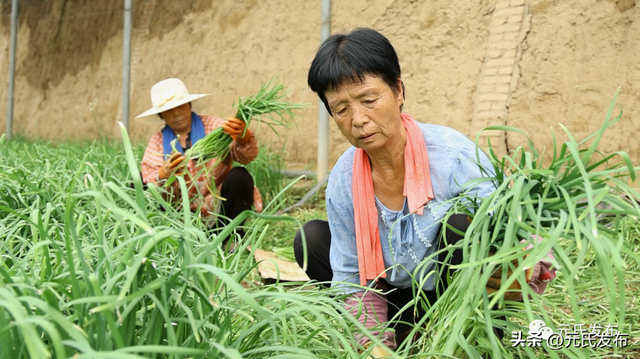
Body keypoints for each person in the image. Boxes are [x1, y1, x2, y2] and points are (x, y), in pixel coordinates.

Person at [293, 28, 556, 354]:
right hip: (397, 298)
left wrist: (518, 271)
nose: (358, 119)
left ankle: (465, 337)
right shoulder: (344, 179)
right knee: (312, 239)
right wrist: (373, 344)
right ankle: (401, 334)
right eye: (341, 109)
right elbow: (350, 275)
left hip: (454, 296)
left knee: (461, 226)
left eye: (369, 100)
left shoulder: (453, 157)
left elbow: (518, 235)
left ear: (398, 91)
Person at [136, 78, 263, 231]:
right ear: (161, 116)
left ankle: (230, 236)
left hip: (217, 207)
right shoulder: (157, 142)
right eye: (168, 110)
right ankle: (167, 235)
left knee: (240, 176)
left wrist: (244, 137)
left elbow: (245, 157)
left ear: (189, 105)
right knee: (137, 181)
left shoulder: (215, 127)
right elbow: (151, 181)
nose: (176, 113)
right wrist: (163, 175)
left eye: (180, 106)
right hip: (179, 216)